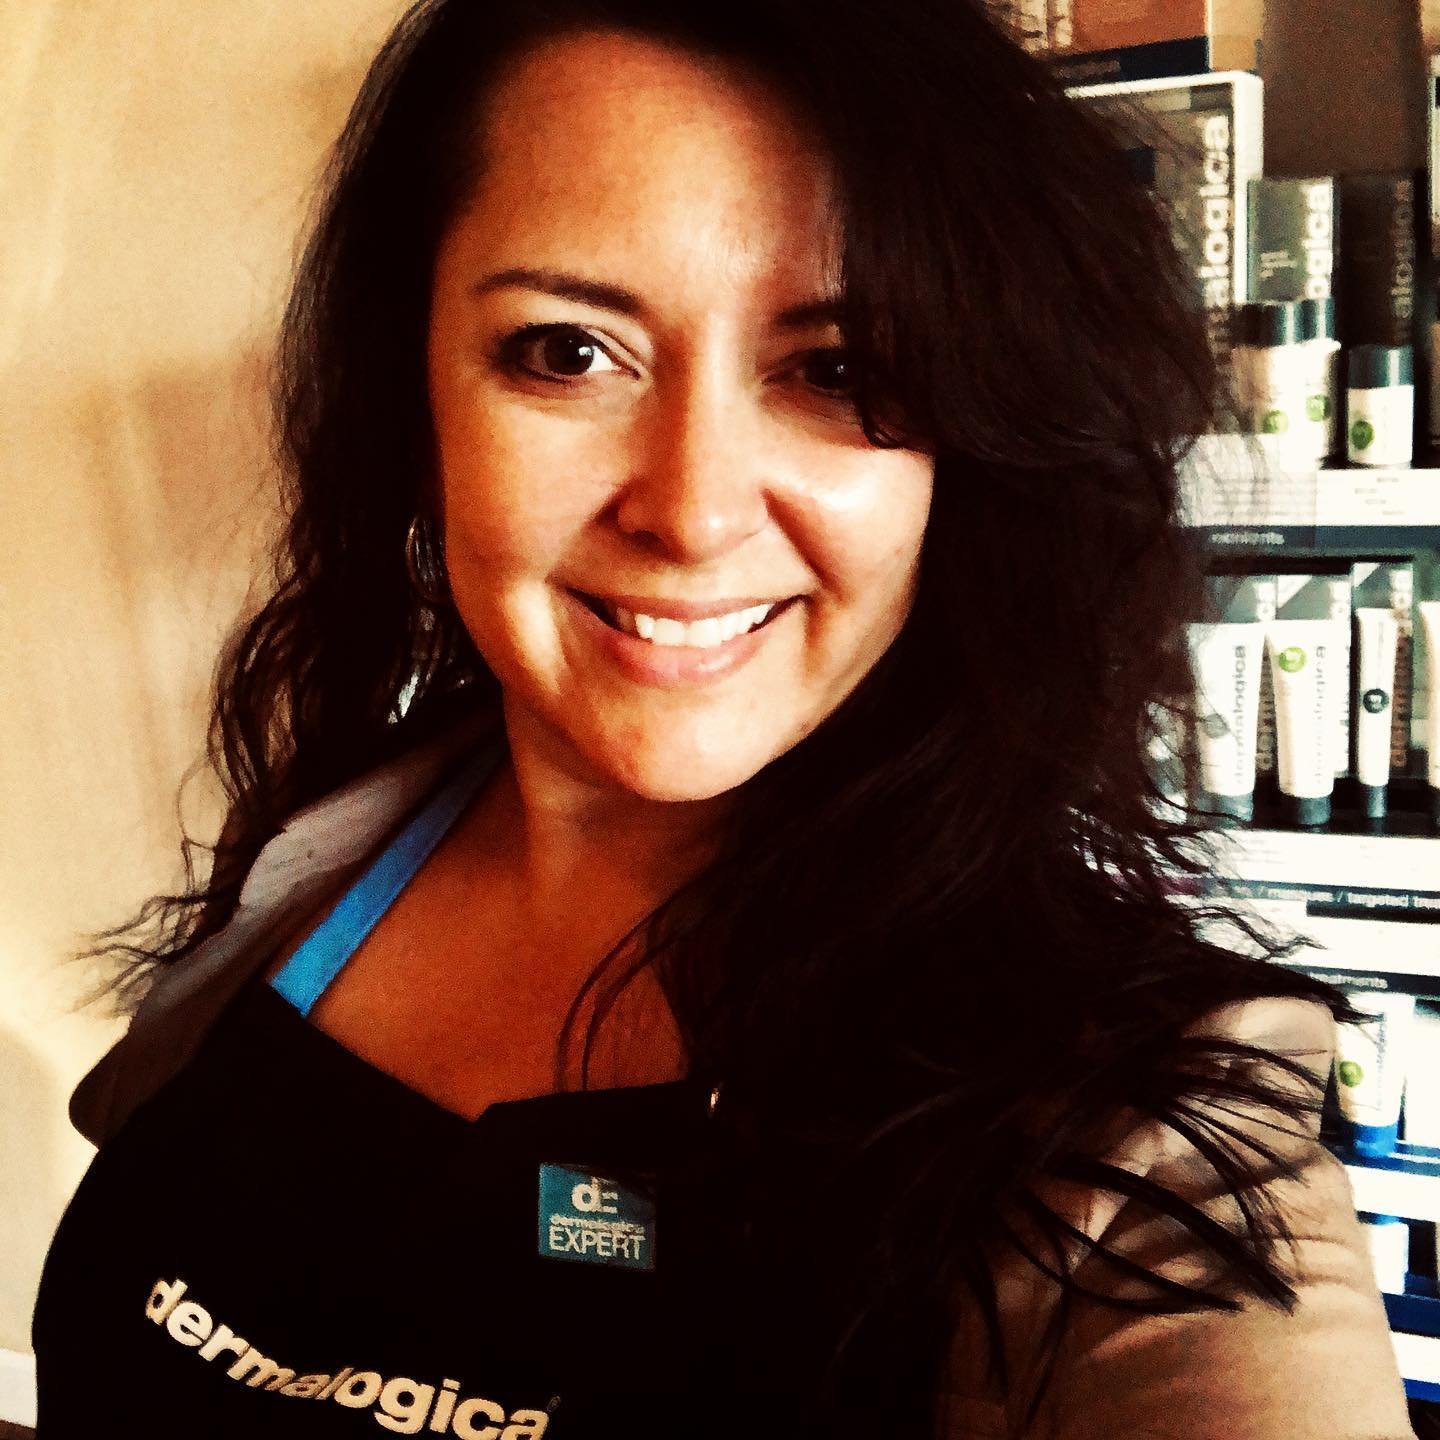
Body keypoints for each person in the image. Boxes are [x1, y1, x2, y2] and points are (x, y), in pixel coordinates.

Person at [31, 0, 1417, 1436]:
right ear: (416, 389)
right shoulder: (323, 857)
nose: (691, 511)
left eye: (838, 372)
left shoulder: (1133, 1130)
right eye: (567, 353)